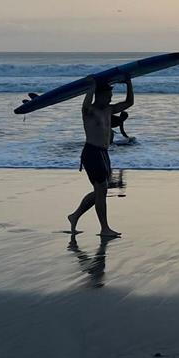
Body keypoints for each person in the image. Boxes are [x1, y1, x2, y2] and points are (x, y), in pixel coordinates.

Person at [67, 76, 133, 237]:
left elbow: (129, 103)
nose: (110, 99)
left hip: (104, 153)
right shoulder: (89, 111)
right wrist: (92, 86)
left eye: (111, 96)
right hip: (92, 153)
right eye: (108, 96)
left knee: (100, 191)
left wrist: (129, 82)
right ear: (100, 95)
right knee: (101, 190)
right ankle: (104, 228)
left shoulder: (108, 110)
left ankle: (74, 216)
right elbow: (85, 105)